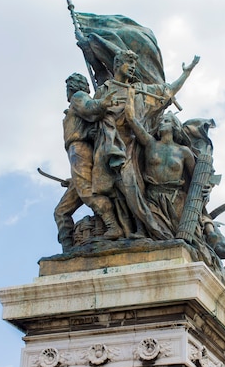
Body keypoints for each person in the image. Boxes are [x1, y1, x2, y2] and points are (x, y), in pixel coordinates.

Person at [91, 49, 200, 238]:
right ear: (117, 65)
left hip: (137, 147)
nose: (132, 68)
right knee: (110, 192)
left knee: (132, 189)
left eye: (134, 65)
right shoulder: (105, 90)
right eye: (129, 64)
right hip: (109, 146)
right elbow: (91, 114)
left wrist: (186, 73)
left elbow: (168, 91)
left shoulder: (141, 90)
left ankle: (145, 231)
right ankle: (123, 229)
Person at [54, 73, 122, 251]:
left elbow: (89, 107)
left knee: (87, 193)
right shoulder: (73, 106)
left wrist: (102, 103)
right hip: (78, 153)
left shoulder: (78, 97)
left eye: (68, 86)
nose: (67, 91)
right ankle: (68, 250)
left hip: (79, 150)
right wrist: (73, 180)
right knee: (61, 211)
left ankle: (113, 226)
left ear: (73, 87)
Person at [124, 87, 195, 237]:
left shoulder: (184, 152)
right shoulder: (151, 144)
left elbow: (194, 180)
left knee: (177, 237)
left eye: (167, 121)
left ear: (174, 126)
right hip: (153, 198)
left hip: (176, 200)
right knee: (158, 233)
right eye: (161, 121)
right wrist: (129, 94)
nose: (162, 123)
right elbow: (131, 119)